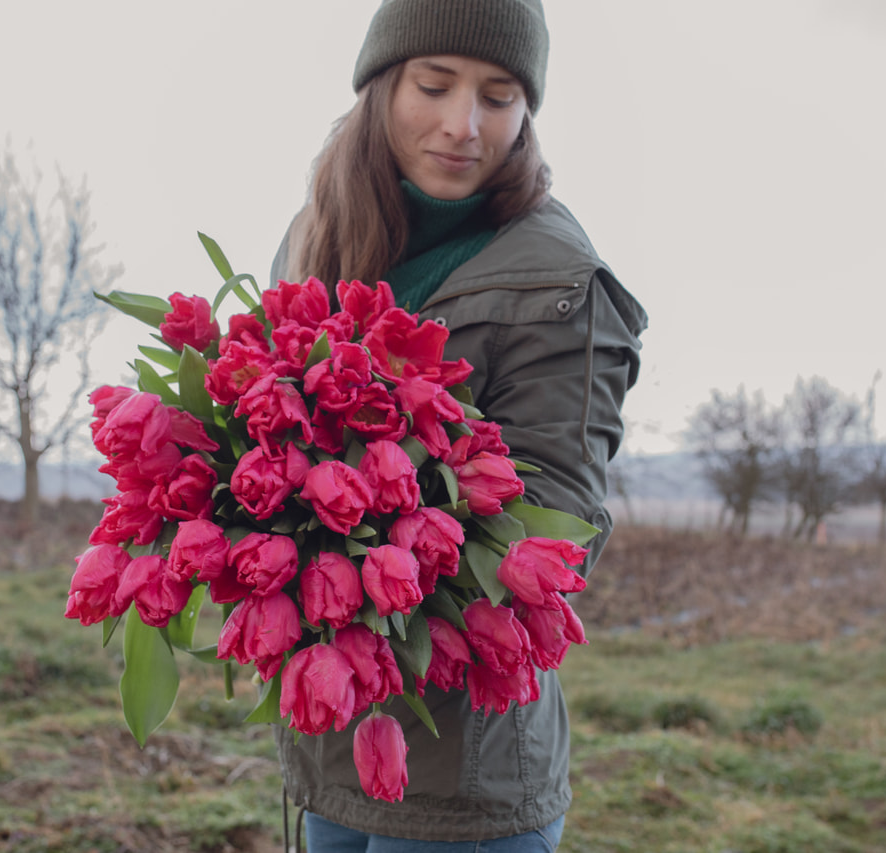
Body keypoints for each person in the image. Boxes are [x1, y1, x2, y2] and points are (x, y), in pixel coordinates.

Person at [269, 0, 648, 848]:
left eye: (500, 96)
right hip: (333, 734)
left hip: (473, 769)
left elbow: (562, 526)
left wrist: (357, 535)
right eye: (434, 85)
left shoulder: (560, 280)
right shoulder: (314, 238)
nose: (464, 125)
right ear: (379, 87)